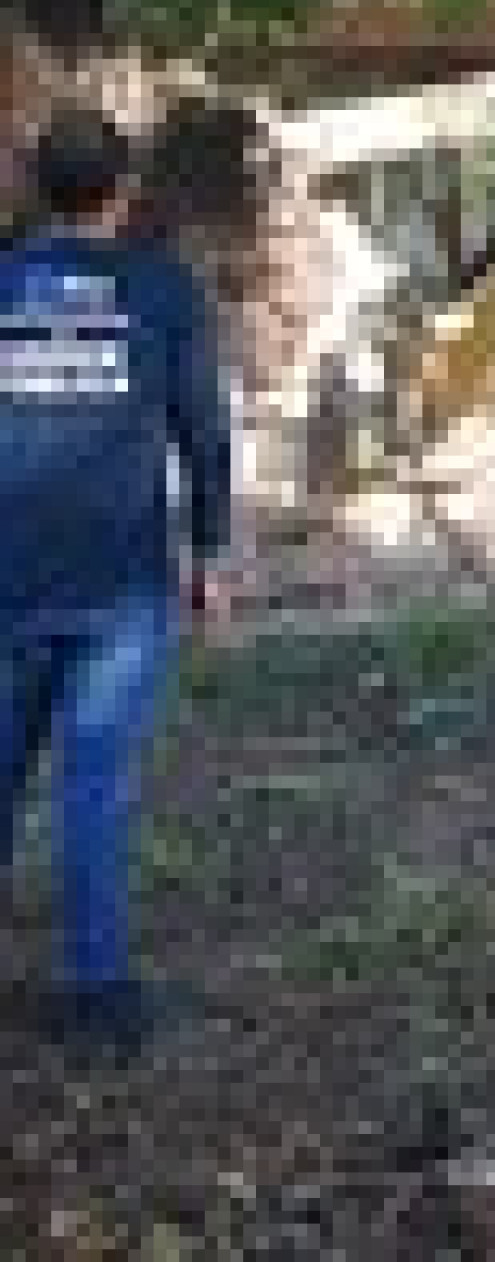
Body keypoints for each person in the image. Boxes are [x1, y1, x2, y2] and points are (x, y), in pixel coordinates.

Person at [0, 103, 233, 1061]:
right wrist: (210, 554)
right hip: (120, 595)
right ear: (124, 190)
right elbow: (203, 432)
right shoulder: (164, 291)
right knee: (95, 787)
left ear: (35, 186)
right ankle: (98, 996)